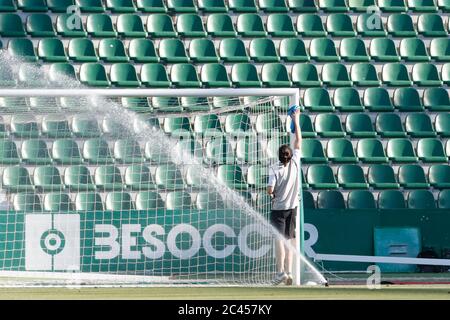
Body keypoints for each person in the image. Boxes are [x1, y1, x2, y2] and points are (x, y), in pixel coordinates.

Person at [267, 108, 302, 285]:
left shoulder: (274, 168)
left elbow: (269, 189)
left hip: (278, 209)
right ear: (290, 155)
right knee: (290, 239)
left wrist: (272, 194)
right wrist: (296, 119)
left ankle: (280, 272)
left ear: (279, 156)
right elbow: (298, 141)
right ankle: (289, 271)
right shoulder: (295, 163)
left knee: (279, 240)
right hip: (293, 207)